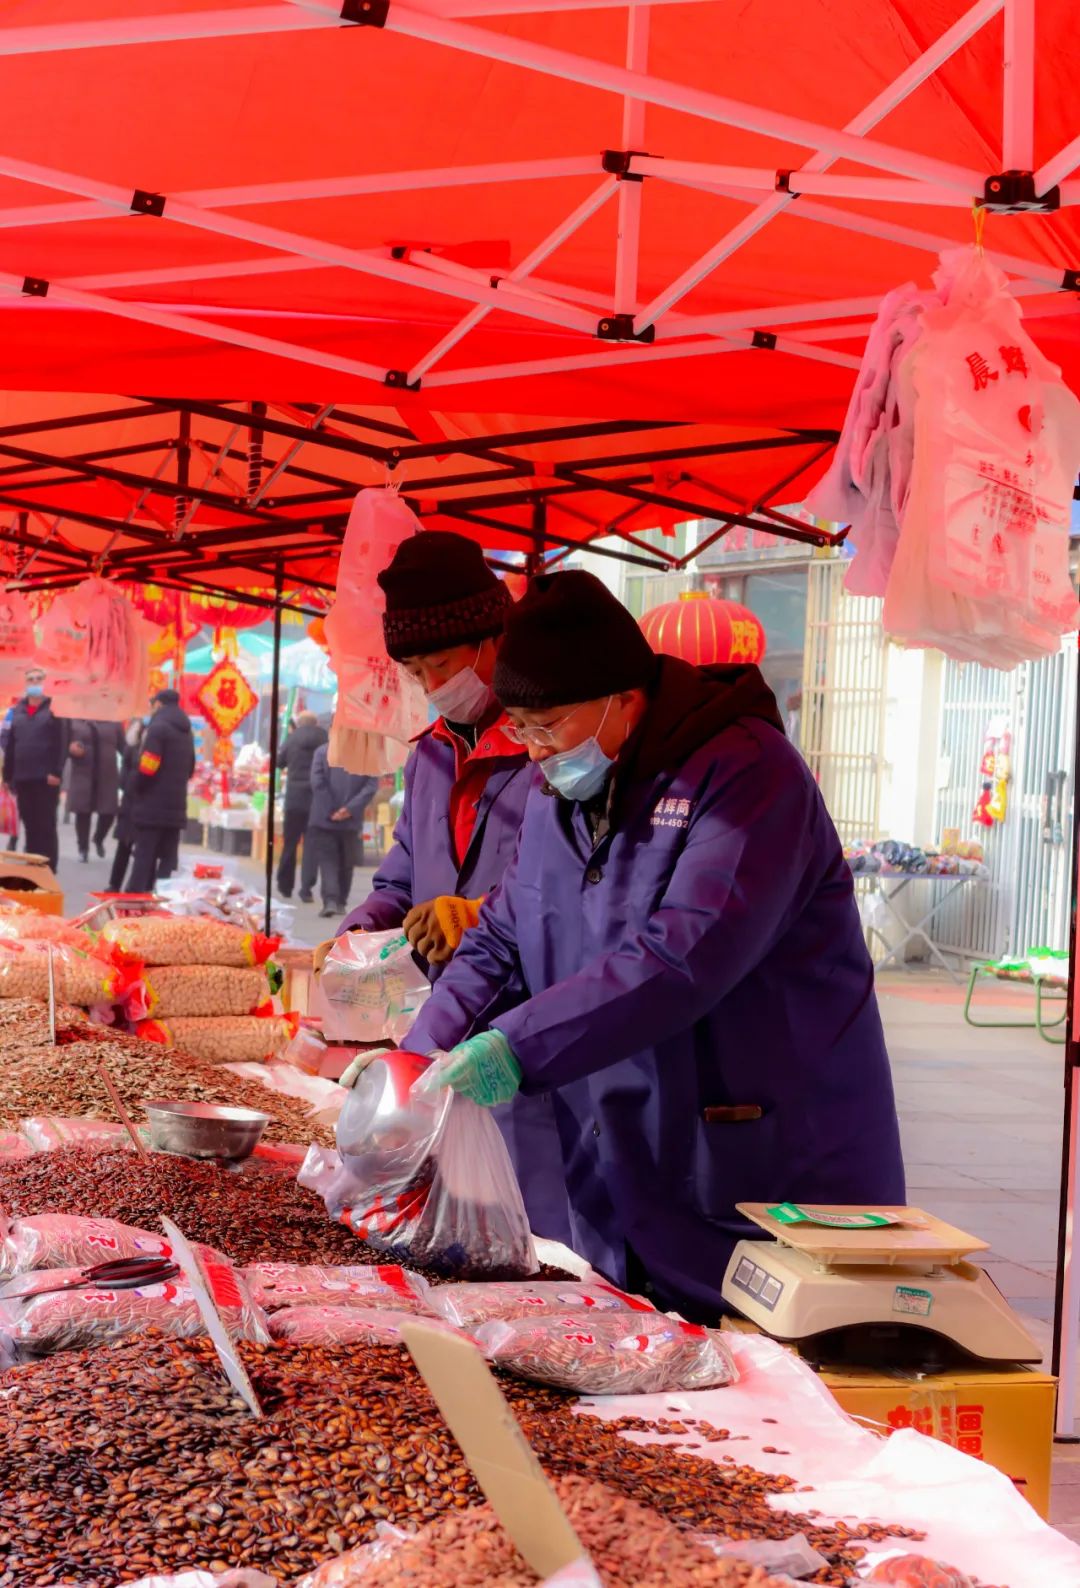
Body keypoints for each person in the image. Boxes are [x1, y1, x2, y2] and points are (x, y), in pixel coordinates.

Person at [404, 571, 905, 1322]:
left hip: (757, 1149)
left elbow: (683, 956)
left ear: (623, 697)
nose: (534, 752)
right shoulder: (559, 790)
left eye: (549, 726)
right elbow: (503, 932)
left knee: (766, 1362)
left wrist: (517, 1046)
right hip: (623, 1145)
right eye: (522, 730)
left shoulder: (749, 775)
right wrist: (416, 1056)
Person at [333, 531, 572, 1245]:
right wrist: (363, 929)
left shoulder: (549, 752)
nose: (432, 685)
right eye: (415, 671)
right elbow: (405, 868)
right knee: (455, 1231)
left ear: (493, 639)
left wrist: (478, 915)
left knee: (539, 1235)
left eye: (441, 664)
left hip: (531, 1032)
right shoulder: (431, 755)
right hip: (444, 1020)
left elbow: (566, 891)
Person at [125, 689, 196, 894]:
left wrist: (135, 784)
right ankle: (162, 898)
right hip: (176, 805)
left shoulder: (158, 728)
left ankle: (134, 899)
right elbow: (191, 767)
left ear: (158, 704)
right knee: (167, 858)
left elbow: (149, 766)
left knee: (144, 856)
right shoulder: (186, 731)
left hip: (152, 805)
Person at [1, 666, 66, 870]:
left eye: (39, 679)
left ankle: (48, 867)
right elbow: (11, 746)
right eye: (31, 679)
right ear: (25, 683)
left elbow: (62, 742)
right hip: (23, 777)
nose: (35, 682)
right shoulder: (17, 711)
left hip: (46, 778)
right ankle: (32, 866)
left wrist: (57, 771)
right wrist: (7, 776)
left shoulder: (54, 710)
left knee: (46, 825)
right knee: (29, 825)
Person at [306, 744, 377, 918]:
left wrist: (332, 810)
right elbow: (370, 786)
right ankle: (340, 902)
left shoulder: (322, 752)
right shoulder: (366, 753)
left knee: (328, 862)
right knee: (346, 862)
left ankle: (331, 900)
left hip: (323, 818)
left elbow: (317, 782)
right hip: (351, 819)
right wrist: (349, 809)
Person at [276, 709, 328, 902]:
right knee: (311, 845)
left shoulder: (292, 738)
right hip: (316, 799)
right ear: (316, 723)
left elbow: (279, 762)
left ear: (299, 723)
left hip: (294, 800)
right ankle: (306, 889)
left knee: (290, 843)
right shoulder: (324, 738)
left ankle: (285, 885)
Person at [66, 718, 125, 862]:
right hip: (83, 773)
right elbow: (64, 745)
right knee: (82, 812)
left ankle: (98, 838)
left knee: (109, 812)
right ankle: (83, 849)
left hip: (107, 775)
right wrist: (71, 749)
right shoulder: (75, 722)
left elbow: (124, 748)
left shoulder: (113, 722)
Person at [108, 717, 147, 892]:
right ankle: (124, 885)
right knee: (134, 849)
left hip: (133, 803)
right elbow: (124, 778)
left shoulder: (132, 747)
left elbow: (123, 779)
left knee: (128, 848)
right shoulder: (135, 749)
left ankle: (116, 885)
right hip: (136, 803)